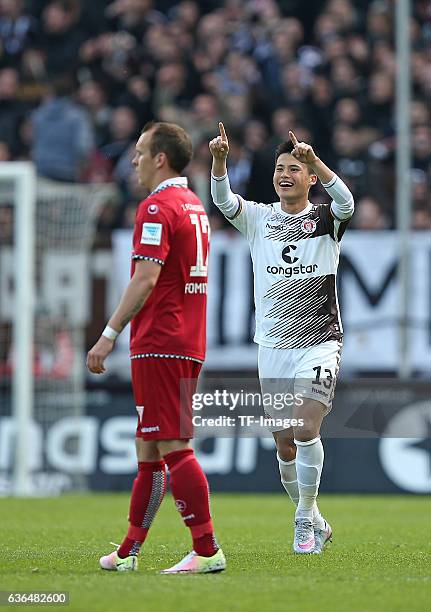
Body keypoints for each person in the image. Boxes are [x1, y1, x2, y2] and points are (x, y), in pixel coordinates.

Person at [87, 121, 226, 574]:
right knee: (149, 449)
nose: (134, 160)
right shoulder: (193, 205)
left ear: (160, 158)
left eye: (141, 152)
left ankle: (206, 550)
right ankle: (129, 552)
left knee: (173, 445)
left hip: (161, 339)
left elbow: (145, 278)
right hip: (184, 337)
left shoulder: (156, 207)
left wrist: (108, 334)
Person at [209, 122, 354, 554]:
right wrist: (219, 160)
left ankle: (302, 519)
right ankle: (316, 520)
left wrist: (318, 162)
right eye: (279, 168)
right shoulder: (259, 218)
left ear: (310, 177)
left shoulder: (326, 219)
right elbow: (222, 200)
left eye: (294, 168)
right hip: (272, 346)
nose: (285, 174)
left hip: (319, 340)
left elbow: (346, 201)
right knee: (284, 442)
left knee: (306, 426)